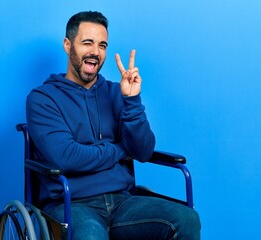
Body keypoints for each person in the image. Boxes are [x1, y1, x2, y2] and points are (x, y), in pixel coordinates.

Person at [26, 11, 201, 240]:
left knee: (186, 218)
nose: (95, 52)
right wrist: (119, 150)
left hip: (122, 201)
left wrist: (132, 101)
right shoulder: (43, 99)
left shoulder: (115, 93)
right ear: (68, 45)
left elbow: (143, 151)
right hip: (71, 204)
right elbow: (66, 157)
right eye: (87, 43)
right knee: (90, 235)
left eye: (102, 45)